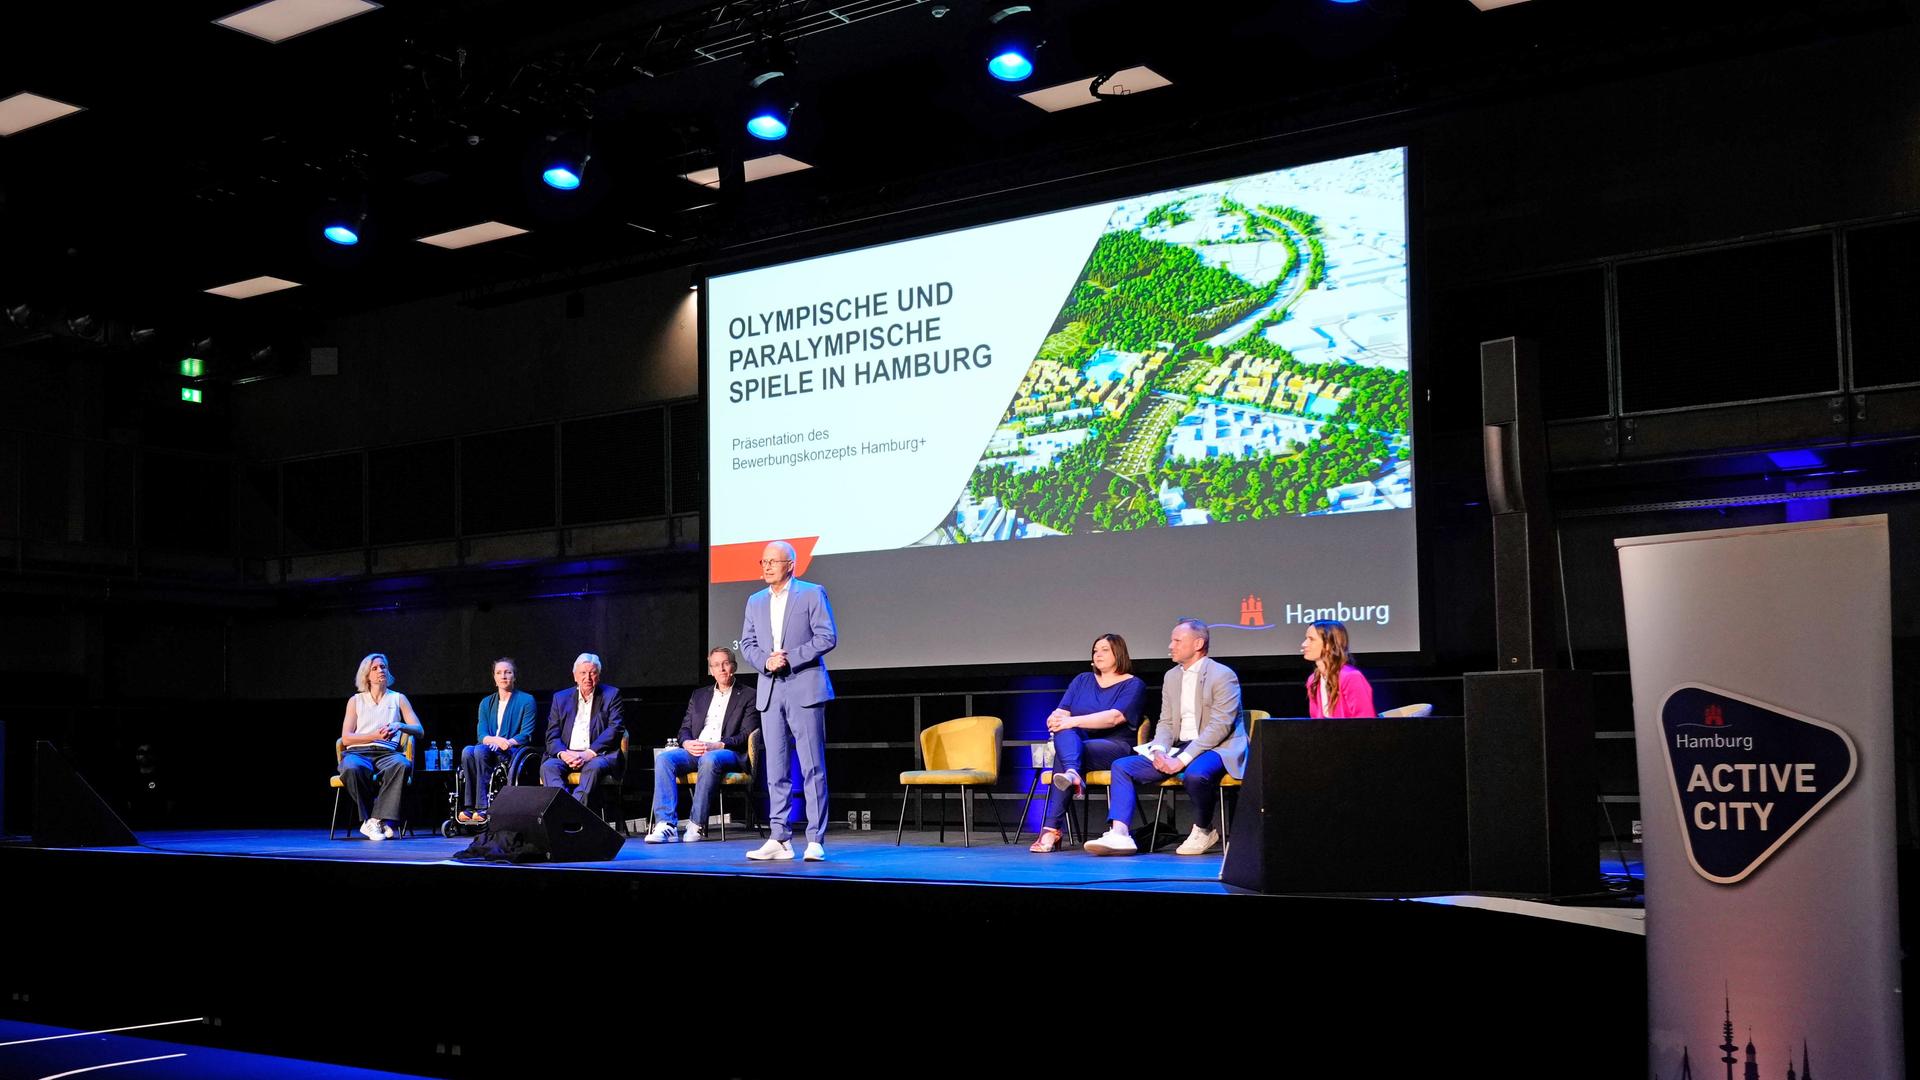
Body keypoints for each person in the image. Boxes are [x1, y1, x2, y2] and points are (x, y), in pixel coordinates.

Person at [1085, 618, 1248, 857]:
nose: (1170, 646)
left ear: (1198, 643)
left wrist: (1180, 761)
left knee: (1195, 775)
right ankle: (1120, 833)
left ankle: (1204, 829)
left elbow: (1219, 726)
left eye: (1177, 641)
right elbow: (1166, 722)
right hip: (1179, 747)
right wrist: (1159, 750)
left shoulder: (1222, 675)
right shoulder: (1172, 676)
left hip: (1217, 747)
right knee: (1122, 767)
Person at [739, 540, 837, 862]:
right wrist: (765, 662)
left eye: (773, 561)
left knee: (811, 767)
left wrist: (790, 658)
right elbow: (748, 643)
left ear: (790, 565)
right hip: (770, 689)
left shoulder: (811, 592)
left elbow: (827, 636)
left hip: (804, 687)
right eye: (763, 562)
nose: (766, 567)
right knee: (775, 769)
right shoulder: (755, 601)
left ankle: (814, 839)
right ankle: (779, 837)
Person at [1029, 634, 1146, 853]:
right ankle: (1073, 773)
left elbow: (1114, 717)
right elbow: (1062, 711)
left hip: (1117, 746)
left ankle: (1051, 829)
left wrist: (1070, 720)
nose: (1098, 654)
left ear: (1118, 653)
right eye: (1095, 650)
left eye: (1104, 650)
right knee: (1065, 735)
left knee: (1066, 751)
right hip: (1079, 744)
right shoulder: (1082, 680)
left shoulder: (1133, 684)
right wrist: (1055, 718)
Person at [646, 647, 763, 843]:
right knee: (665, 759)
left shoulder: (748, 695)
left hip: (726, 751)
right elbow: (684, 728)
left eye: (726, 663)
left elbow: (746, 734)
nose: (722, 669)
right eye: (716, 665)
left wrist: (718, 745)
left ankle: (696, 824)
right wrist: (687, 742)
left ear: (734, 666)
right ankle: (666, 825)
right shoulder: (699, 695)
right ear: (711, 670)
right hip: (697, 748)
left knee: (710, 759)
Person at [338, 652, 426, 841]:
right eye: (375, 668)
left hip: (387, 752)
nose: (380, 671)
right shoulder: (356, 701)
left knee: (402, 764)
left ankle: (375, 819)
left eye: (383, 667)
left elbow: (419, 730)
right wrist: (373, 736)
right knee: (352, 768)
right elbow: (346, 738)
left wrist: (400, 725)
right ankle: (374, 819)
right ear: (366, 675)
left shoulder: (398, 698)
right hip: (359, 752)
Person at [456, 657, 539, 825]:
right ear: (494, 678)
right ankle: (469, 806)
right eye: (499, 673)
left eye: (508, 672)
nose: (503, 676)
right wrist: (495, 739)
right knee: (467, 750)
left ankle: (482, 807)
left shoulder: (527, 700)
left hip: (511, 750)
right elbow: (482, 734)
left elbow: (527, 733)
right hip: (490, 747)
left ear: (514, 677)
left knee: (479, 750)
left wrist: (507, 742)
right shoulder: (486, 703)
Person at [541, 653, 625, 806]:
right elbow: (551, 734)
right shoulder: (560, 698)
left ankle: (571, 811)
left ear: (598, 676)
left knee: (593, 768)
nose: (588, 677)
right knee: (548, 767)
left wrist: (589, 753)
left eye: (592, 673)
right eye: (583, 673)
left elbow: (616, 728)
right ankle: (568, 808)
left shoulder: (611, 695)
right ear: (575, 676)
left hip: (597, 755)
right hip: (568, 753)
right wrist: (564, 754)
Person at [1302, 619, 1376, 719]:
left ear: (1328, 644)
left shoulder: (1351, 677)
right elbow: (1316, 724)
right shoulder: (1313, 680)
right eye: (1306, 639)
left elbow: (1366, 721)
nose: (1304, 644)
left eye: (1311, 639)